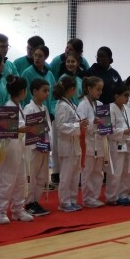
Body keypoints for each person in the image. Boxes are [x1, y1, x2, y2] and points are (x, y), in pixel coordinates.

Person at [0, 76, 33, 224]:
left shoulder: (18, 106)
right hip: (9, 148)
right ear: (23, 91)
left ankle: (18, 209)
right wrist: (20, 129)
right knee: (7, 180)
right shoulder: (7, 107)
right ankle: (1, 211)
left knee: (20, 180)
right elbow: (3, 131)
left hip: (20, 148)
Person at [52, 75, 82, 212]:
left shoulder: (71, 104)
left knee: (75, 175)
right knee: (66, 176)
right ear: (71, 89)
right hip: (66, 145)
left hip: (75, 144)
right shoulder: (61, 105)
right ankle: (64, 202)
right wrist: (78, 126)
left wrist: (80, 124)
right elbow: (60, 125)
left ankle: (72, 200)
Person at [22, 78, 52, 217]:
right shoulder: (28, 108)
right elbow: (27, 130)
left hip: (44, 145)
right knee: (32, 176)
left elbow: (48, 127)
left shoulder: (44, 108)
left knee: (42, 176)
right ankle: (28, 203)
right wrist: (37, 143)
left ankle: (35, 201)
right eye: (44, 91)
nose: (47, 93)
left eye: (48, 91)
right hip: (33, 148)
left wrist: (48, 142)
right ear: (34, 91)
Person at [76, 76, 107, 208]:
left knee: (98, 172)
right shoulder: (82, 105)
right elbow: (81, 126)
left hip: (99, 141)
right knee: (87, 171)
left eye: (101, 89)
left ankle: (95, 197)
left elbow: (105, 123)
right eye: (98, 89)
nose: (100, 92)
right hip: (87, 142)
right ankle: (87, 198)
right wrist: (93, 122)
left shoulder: (100, 104)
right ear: (89, 89)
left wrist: (106, 126)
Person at [105, 82, 130, 206]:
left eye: (128, 95)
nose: (127, 98)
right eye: (125, 95)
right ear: (116, 96)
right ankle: (112, 197)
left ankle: (123, 195)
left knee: (127, 172)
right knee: (115, 173)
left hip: (127, 143)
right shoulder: (109, 109)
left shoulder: (127, 109)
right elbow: (108, 130)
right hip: (115, 144)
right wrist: (123, 131)